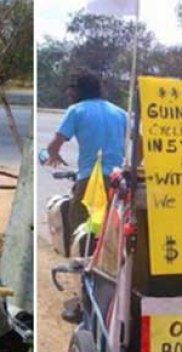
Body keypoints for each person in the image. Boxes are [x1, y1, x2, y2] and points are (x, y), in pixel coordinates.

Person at [45, 70, 128, 232]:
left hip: (90, 178)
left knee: (79, 226)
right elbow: (140, 140)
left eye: (71, 89)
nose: (68, 93)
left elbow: (54, 144)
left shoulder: (76, 110)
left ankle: (81, 255)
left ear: (79, 90)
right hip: (117, 180)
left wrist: (54, 155)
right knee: (111, 228)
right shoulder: (120, 112)